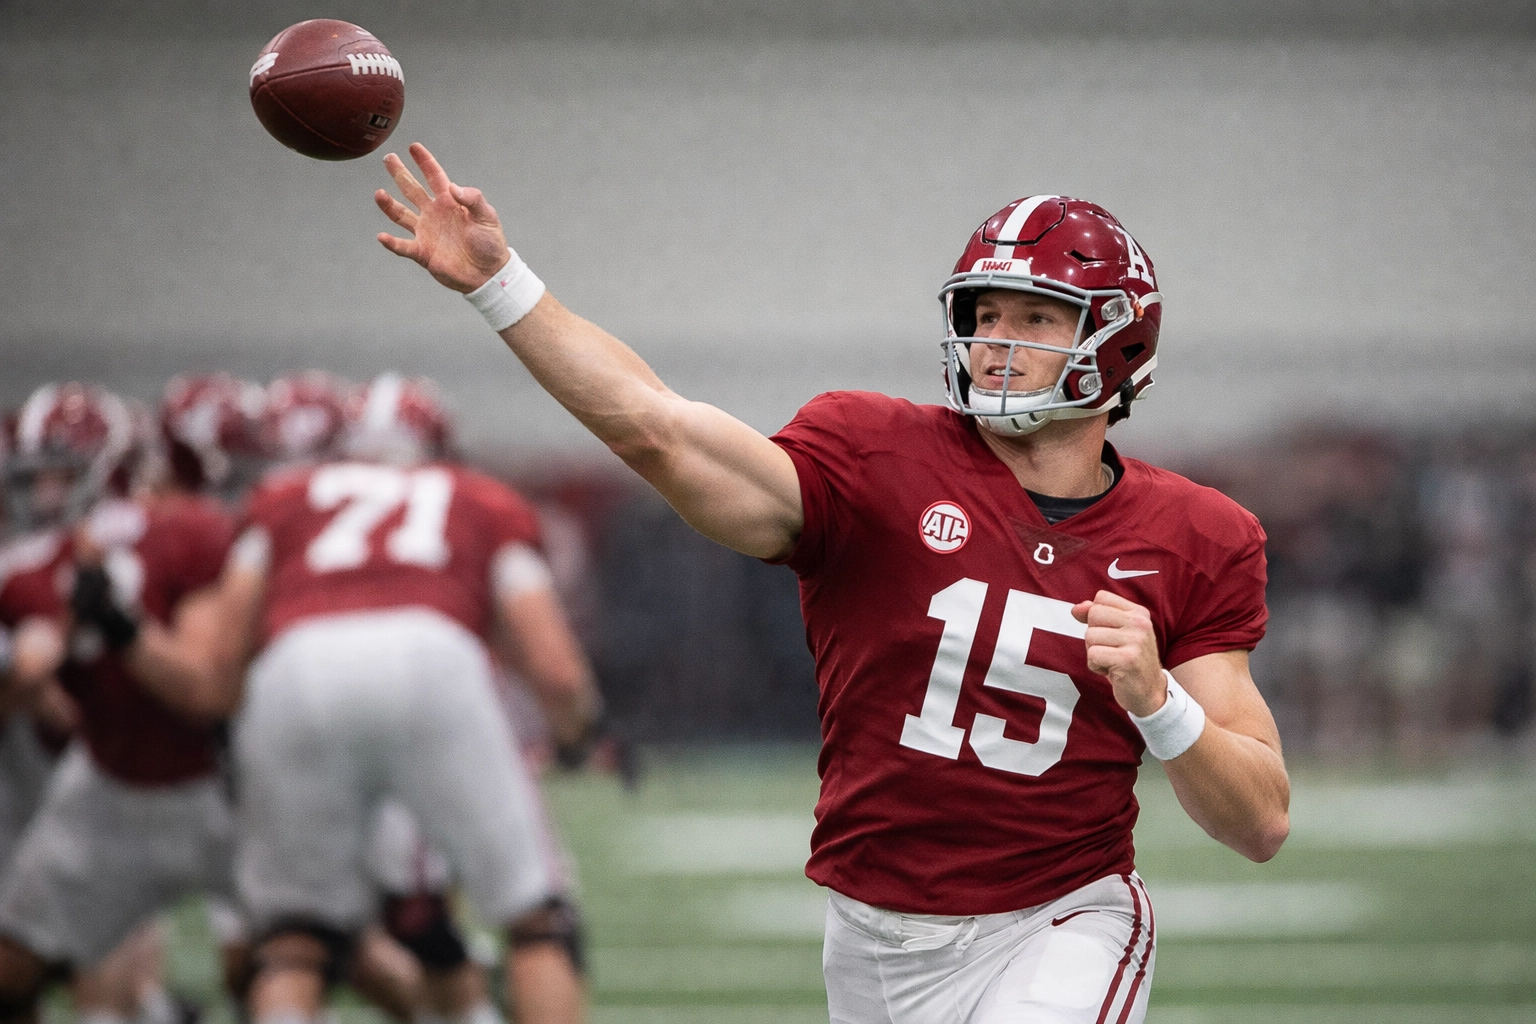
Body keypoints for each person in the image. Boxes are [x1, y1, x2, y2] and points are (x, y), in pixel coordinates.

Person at [372, 146, 1292, 1023]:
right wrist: (502, 285)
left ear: (1116, 341)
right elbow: (661, 431)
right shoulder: (876, 456)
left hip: (1060, 916)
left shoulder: (1196, 534)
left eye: (1036, 318)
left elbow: (1258, 820)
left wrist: (1160, 700)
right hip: (871, 925)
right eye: (985, 316)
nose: (997, 344)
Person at [145, 372, 601, 1024]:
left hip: (293, 670)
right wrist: (579, 730)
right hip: (430, 659)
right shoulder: (480, 498)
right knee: (536, 923)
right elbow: (555, 668)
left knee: (292, 942)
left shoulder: (284, 498)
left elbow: (221, 661)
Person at [0, 383, 240, 1024]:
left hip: (225, 785)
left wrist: (114, 622)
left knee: (292, 956)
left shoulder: (187, 532)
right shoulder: (23, 569)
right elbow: (41, 700)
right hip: (110, 786)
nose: (44, 493)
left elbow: (204, 691)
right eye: (34, 476)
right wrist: (27, 674)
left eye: (61, 473)